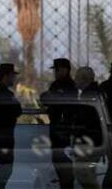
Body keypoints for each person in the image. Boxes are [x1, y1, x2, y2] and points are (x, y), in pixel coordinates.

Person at [40, 58, 78, 189]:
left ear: (65, 70)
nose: (55, 72)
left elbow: (50, 99)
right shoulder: (59, 85)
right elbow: (45, 98)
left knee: (62, 162)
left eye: (57, 69)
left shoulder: (68, 86)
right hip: (59, 127)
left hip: (63, 129)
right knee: (59, 161)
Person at [0, 63, 22, 189]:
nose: (14, 79)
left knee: (4, 168)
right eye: (12, 75)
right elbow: (18, 110)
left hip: (0, 135)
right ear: (6, 76)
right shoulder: (4, 94)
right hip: (3, 136)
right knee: (5, 169)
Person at [73, 66, 103, 189]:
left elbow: (85, 120)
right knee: (88, 173)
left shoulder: (89, 95)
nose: (75, 80)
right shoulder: (95, 92)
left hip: (89, 141)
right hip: (95, 139)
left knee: (83, 174)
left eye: (77, 78)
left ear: (84, 79)